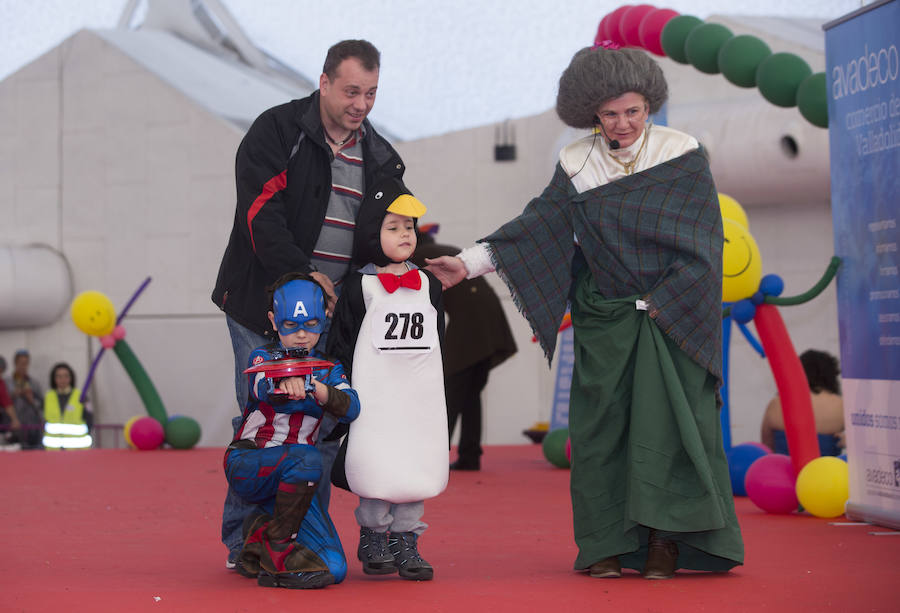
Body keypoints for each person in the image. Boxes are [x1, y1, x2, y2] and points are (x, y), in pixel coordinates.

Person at [426, 44, 743, 579]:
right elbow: (537, 226)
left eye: (633, 111)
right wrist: (468, 262)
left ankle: (666, 543)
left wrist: (663, 300)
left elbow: (704, 243)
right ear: (590, 112)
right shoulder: (577, 160)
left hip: (674, 315)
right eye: (609, 113)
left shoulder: (682, 152)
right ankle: (605, 544)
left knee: (668, 431)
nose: (622, 124)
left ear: (651, 104)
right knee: (600, 432)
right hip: (606, 318)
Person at [211, 39, 407, 568]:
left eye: (370, 93)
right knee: (262, 419)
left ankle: (297, 538)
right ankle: (242, 543)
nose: (361, 104)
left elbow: (392, 232)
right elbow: (259, 213)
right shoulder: (276, 132)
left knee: (320, 424)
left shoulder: (383, 157)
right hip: (262, 306)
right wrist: (303, 276)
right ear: (323, 83)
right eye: (350, 91)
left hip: (336, 316)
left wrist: (416, 272)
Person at [327, 177, 447, 581]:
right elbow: (341, 341)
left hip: (419, 396)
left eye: (409, 228)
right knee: (376, 462)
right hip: (375, 396)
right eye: (393, 227)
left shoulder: (429, 283)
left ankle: (408, 537)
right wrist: (338, 389)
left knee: (416, 463)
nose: (404, 235)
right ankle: (374, 531)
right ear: (371, 234)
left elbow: (438, 339)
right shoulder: (360, 287)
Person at [225, 273, 360, 589]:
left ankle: (261, 535)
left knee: (334, 568)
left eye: (310, 325)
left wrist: (315, 388)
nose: (301, 335)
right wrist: (287, 384)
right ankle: (278, 551)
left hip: (296, 479)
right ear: (273, 320)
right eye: (291, 326)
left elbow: (352, 407)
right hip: (250, 464)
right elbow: (264, 388)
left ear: (324, 317)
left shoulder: (329, 369)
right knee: (309, 458)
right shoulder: (262, 358)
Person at [411, 225, 517, 470]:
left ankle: (433, 460)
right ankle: (470, 455)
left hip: (470, 327)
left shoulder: (419, 257)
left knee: (450, 393)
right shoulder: (439, 249)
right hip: (491, 322)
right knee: (469, 394)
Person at [761, 349, 844, 456]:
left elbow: (767, 449)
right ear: (831, 375)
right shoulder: (840, 406)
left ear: (796, 372)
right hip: (826, 471)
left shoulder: (776, 404)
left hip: (784, 471)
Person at [42, 363, 93, 450]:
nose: (63, 380)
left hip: (77, 449)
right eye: (59, 376)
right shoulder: (48, 396)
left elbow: (90, 419)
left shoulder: (81, 396)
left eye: (66, 376)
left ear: (71, 378)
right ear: (54, 379)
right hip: (53, 450)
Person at [6, 349, 44, 450]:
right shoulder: (7, 382)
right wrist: (13, 395)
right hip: (12, 427)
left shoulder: (34, 383)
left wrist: (32, 400)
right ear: (15, 363)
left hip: (32, 428)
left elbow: (42, 405)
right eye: (21, 363)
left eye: (26, 363)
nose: (23, 366)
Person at [0, 356, 22, 449]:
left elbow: (6, 402)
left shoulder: (1, 383)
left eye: (1, 371)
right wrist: (15, 420)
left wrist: (14, 419)